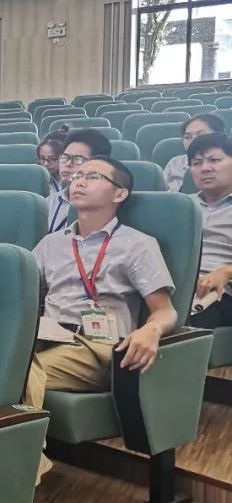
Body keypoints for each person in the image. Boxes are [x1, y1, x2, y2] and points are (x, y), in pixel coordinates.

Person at [25, 157, 177, 480]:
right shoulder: (52, 243)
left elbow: (165, 310)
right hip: (47, 334)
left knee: (18, 373)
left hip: (97, 345)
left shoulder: (137, 245)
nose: (78, 180)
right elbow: (21, 293)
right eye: (78, 175)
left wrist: (151, 330)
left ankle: (24, 468)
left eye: (92, 176)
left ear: (119, 194)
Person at [187, 133, 232, 329]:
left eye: (214, 160)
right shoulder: (182, 206)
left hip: (220, 292)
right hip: (172, 286)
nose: (205, 168)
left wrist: (226, 271)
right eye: (196, 163)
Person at [46, 129, 112, 233]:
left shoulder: (108, 203)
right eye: (65, 157)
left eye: (77, 159)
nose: (67, 164)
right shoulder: (49, 202)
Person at [164, 113, 227, 192]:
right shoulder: (175, 163)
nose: (193, 141)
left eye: (201, 135)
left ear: (220, 135)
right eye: (187, 137)